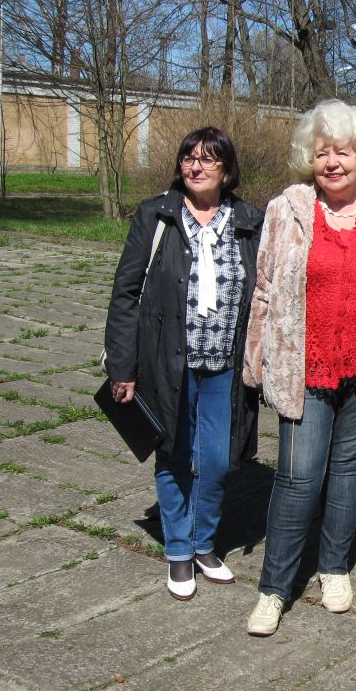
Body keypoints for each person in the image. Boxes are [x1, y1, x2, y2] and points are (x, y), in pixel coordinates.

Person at [243, 101, 356, 636]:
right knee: (298, 479)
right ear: (308, 160)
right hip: (303, 367)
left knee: (346, 473)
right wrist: (256, 358)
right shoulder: (284, 210)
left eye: (343, 152)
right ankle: (274, 588)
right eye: (322, 154)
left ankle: (334, 568)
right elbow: (263, 289)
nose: (332, 162)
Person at [104, 127, 263, 600]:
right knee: (173, 453)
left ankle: (203, 542)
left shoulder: (249, 221)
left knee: (217, 461)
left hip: (225, 366)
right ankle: (179, 549)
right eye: (189, 157)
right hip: (167, 362)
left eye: (209, 159)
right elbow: (125, 294)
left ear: (227, 170)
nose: (196, 166)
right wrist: (122, 368)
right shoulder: (157, 215)